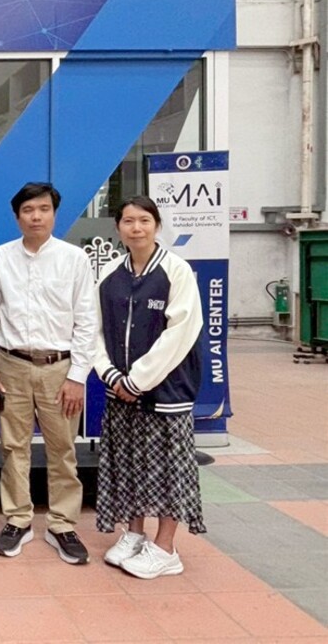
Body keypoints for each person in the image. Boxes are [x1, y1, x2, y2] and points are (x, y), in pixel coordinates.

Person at [0, 182, 96, 565]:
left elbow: (87, 321)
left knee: (63, 449)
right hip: (9, 365)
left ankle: (62, 524)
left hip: (60, 368)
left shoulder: (74, 259)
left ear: (54, 214)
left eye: (44, 209)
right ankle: (18, 519)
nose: (36, 217)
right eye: (28, 210)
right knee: (13, 447)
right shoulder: (0, 258)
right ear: (17, 217)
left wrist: (77, 376)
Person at [93, 196, 205, 579]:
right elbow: (92, 330)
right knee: (130, 465)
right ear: (118, 228)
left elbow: (181, 333)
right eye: (128, 221)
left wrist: (137, 380)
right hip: (120, 392)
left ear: (157, 225)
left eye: (144, 220)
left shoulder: (177, 271)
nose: (136, 228)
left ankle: (166, 548)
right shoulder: (109, 273)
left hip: (167, 393)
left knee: (169, 470)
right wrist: (110, 375)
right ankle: (135, 534)